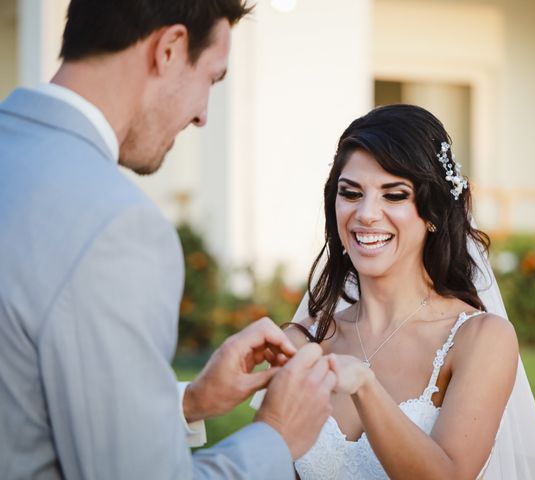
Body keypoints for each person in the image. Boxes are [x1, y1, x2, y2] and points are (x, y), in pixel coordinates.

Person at [0, 1, 335, 479]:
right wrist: (277, 434)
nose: (202, 116)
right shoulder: (117, 226)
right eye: (212, 79)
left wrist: (190, 400)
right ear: (171, 49)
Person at [282, 104, 535, 479]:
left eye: (393, 195)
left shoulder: (480, 339)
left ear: (432, 212)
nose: (366, 213)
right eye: (351, 193)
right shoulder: (305, 342)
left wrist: (366, 388)